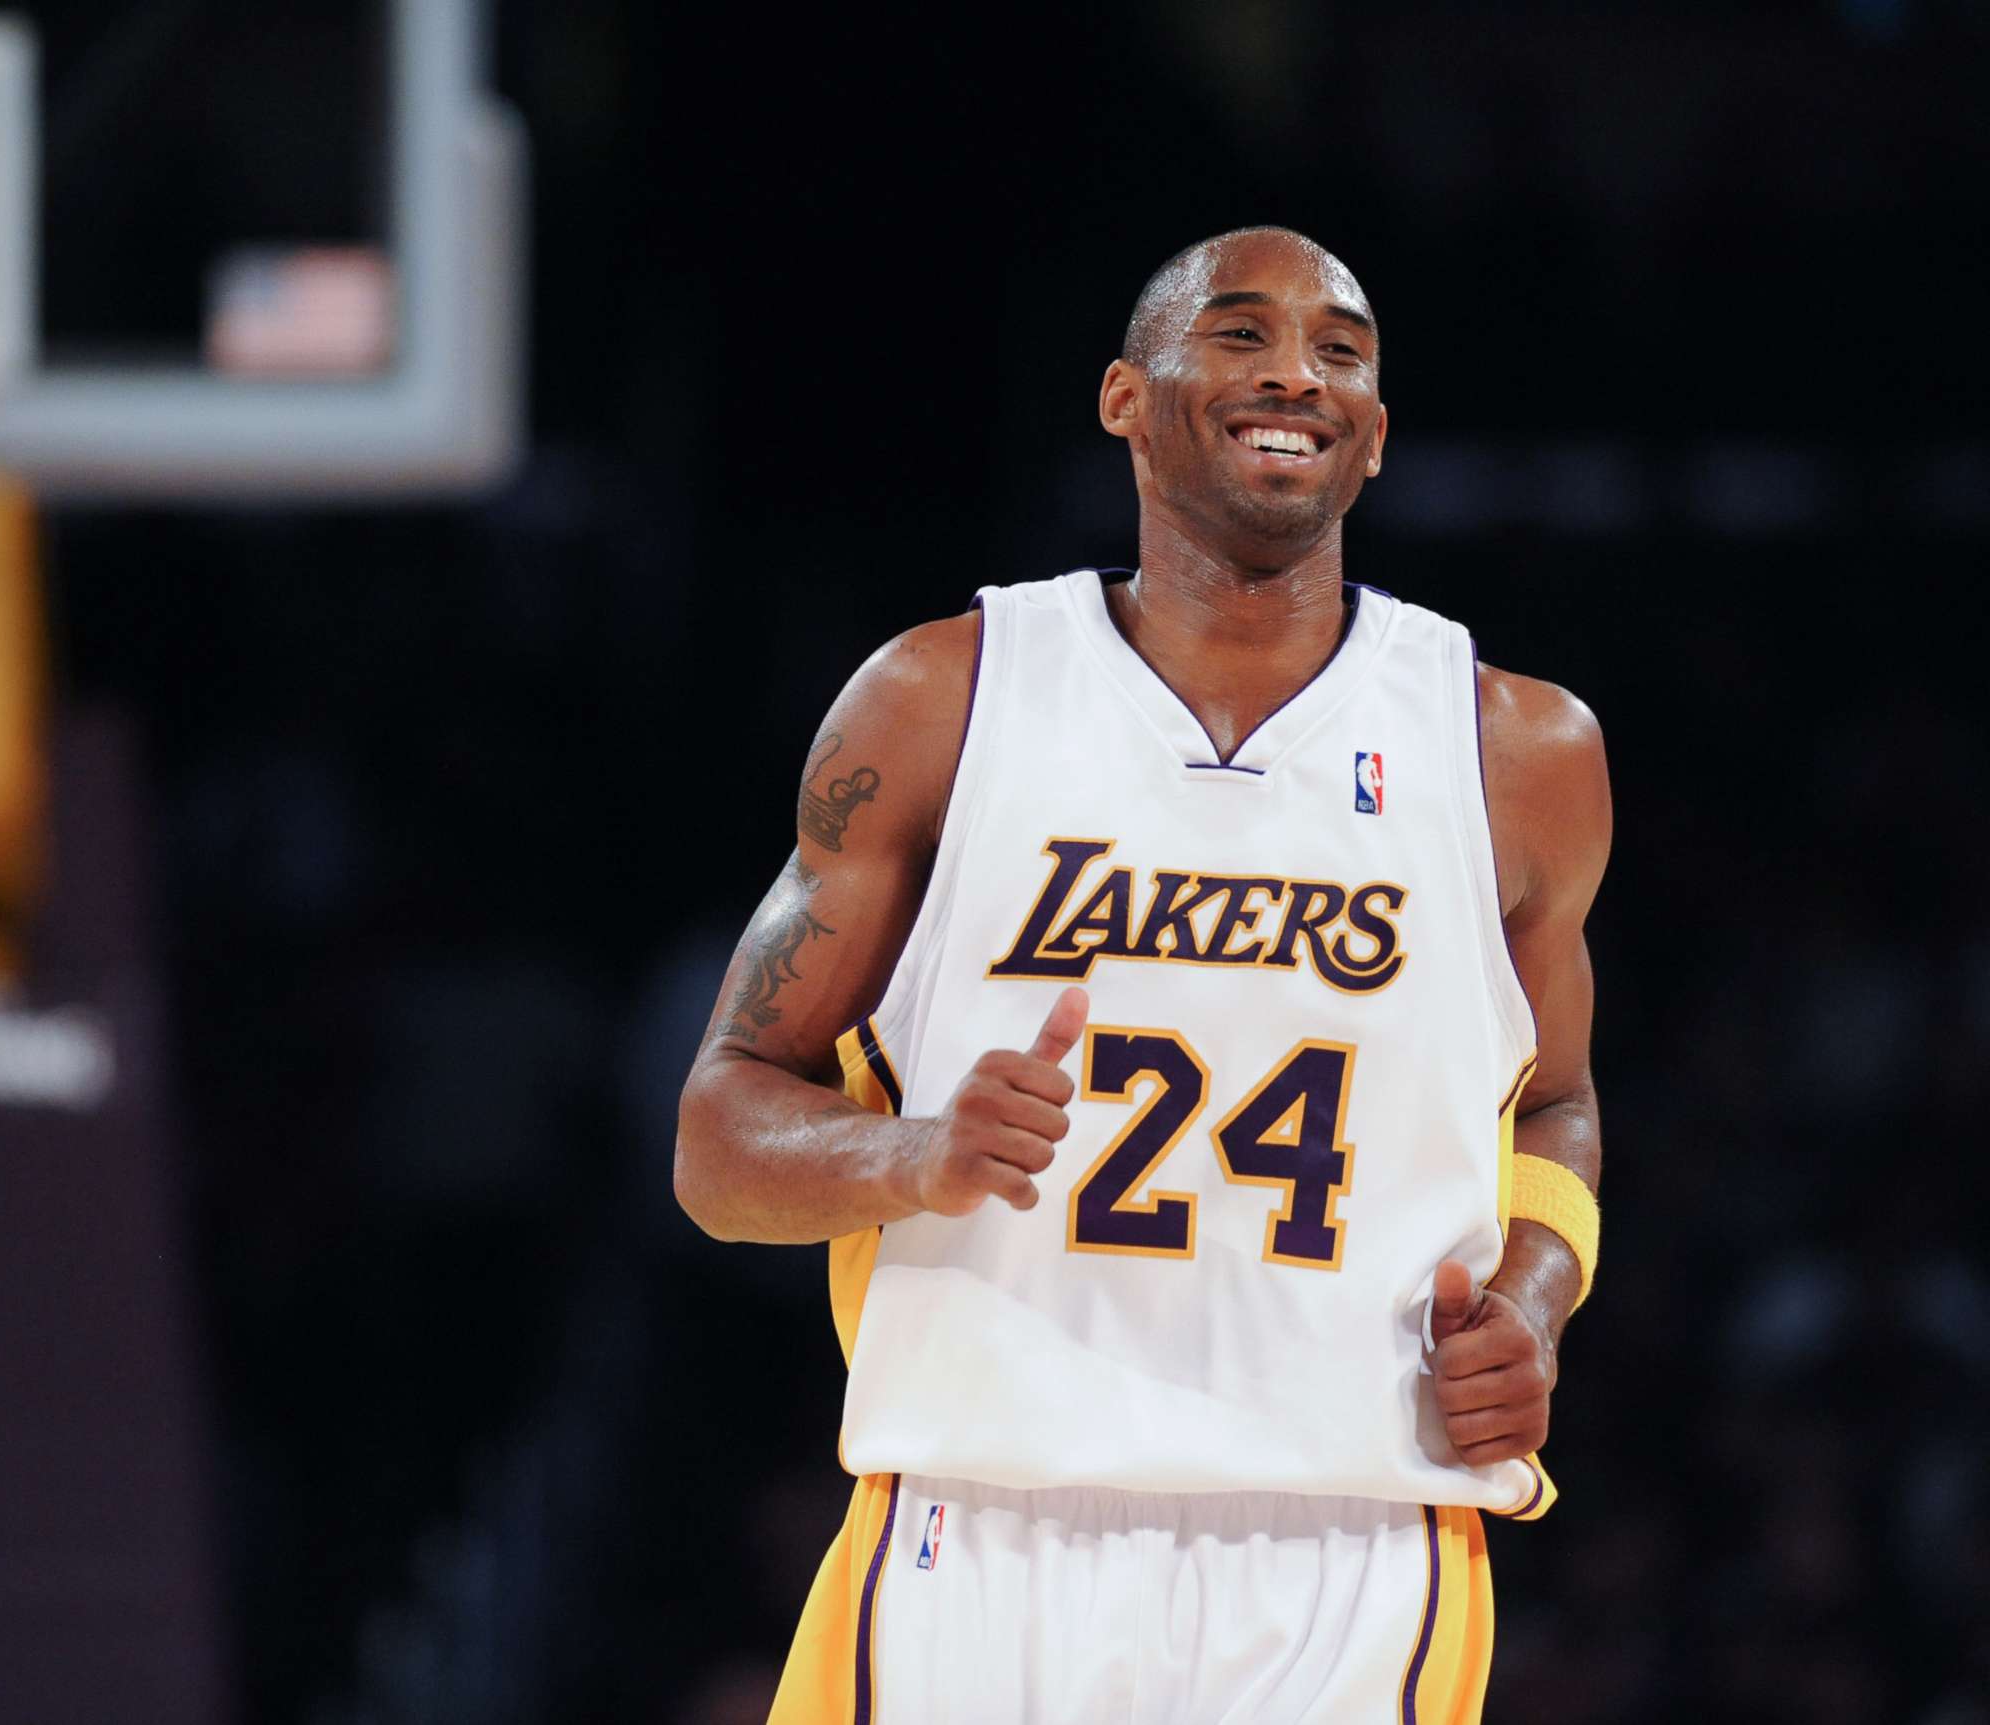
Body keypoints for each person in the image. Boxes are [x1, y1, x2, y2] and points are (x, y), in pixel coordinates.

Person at [673, 226, 1610, 1724]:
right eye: (1240, 334)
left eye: (1342, 351)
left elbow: (1554, 1104)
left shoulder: (1520, 750)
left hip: (1356, 1539)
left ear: (1373, 432)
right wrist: (914, 1152)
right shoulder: (940, 698)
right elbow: (716, 1140)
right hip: (979, 1517)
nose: (1296, 371)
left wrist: (1535, 1303)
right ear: (1125, 397)